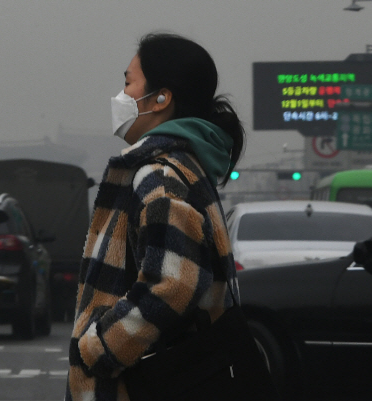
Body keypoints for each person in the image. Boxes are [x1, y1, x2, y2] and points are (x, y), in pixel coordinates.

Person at [65, 33, 245, 400]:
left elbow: (175, 282)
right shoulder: (187, 165)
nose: (121, 96)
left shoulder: (159, 175)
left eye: (128, 82)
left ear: (161, 99)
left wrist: (98, 349)